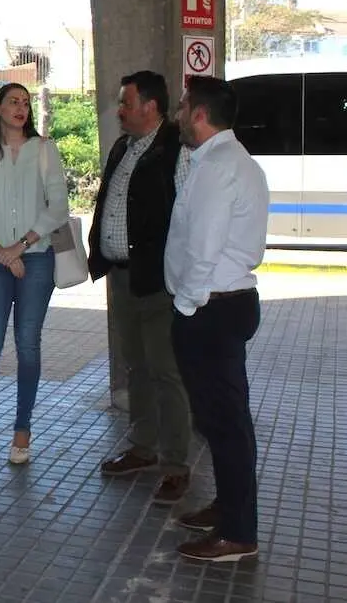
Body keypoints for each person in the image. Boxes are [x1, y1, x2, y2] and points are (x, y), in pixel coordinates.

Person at [166, 75, 269, 562]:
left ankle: (237, 534)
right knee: (224, 420)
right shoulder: (231, 160)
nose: (179, 115)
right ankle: (228, 507)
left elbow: (203, 246)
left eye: (184, 107)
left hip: (211, 306)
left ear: (200, 114)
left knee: (225, 425)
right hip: (225, 303)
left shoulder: (217, 166)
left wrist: (186, 307)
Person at [87, 70, 194, 505]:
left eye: (125, 103)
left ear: (150, 107)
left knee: (166, 371)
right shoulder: (123, 147)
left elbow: (188, 218)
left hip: (159, 280)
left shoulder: (176, 151)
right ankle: (143, 448)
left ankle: (175, 464)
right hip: (121, 275)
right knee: (137, 367)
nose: (120, 110)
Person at [0, 83, 68, 465]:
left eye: (25, 103)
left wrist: (18, 247)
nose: (21, 109)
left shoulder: (45, 150)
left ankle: (22, 429)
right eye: (13, 102)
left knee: (28, 345)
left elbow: (58, 207)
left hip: (36, 258)